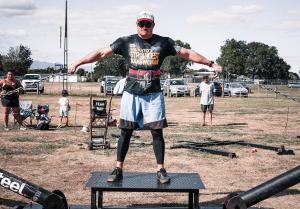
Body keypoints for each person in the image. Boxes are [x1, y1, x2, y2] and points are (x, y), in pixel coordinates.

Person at [69, 11, 222, 184]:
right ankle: (118, 169)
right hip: (131, 93)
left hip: (153, 94)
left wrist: (211, 63)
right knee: (125, 132)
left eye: (147, 24)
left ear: (153, 26)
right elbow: (101, 53)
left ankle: (161, 170)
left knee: (157, 133)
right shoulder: (126, 41)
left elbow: (186, 53)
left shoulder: (163, 42)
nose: (144, 27)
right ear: (137, 25)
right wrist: (78, 62)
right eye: (141, 24)